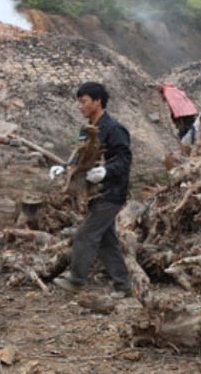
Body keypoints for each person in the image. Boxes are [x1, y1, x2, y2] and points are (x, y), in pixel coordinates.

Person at [49, 82, 133, 297]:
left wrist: (106, 171)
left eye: (83, 101)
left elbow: (124, 159)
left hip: (111, 193)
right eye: (79, 101)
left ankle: (77, 280)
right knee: (106, 240)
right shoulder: (85, 131)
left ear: (97, 102)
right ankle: (123, 285)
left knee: (85, 235)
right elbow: (80, 158)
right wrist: (64, 168)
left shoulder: (114, 129)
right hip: (94, 194)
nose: (80, 106)